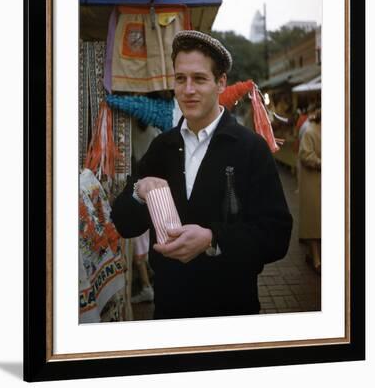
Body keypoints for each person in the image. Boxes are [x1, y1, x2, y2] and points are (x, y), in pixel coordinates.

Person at [111, 30, 293, 320]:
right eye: (180, 79)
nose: (188, 89)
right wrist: (138, 192)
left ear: (221, 83)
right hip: (171, 308)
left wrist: (212, 239)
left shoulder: (249, 147)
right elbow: (124, 223)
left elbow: (277, 235)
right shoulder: (163, 147)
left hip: (231, 310)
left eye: (199, 78)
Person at [298, 106, 321, 274]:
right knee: (314, 220)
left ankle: (311, 254)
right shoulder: (310, 131)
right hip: (314, 182)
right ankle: (316, 258)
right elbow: (305, 155)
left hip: (322, 182)